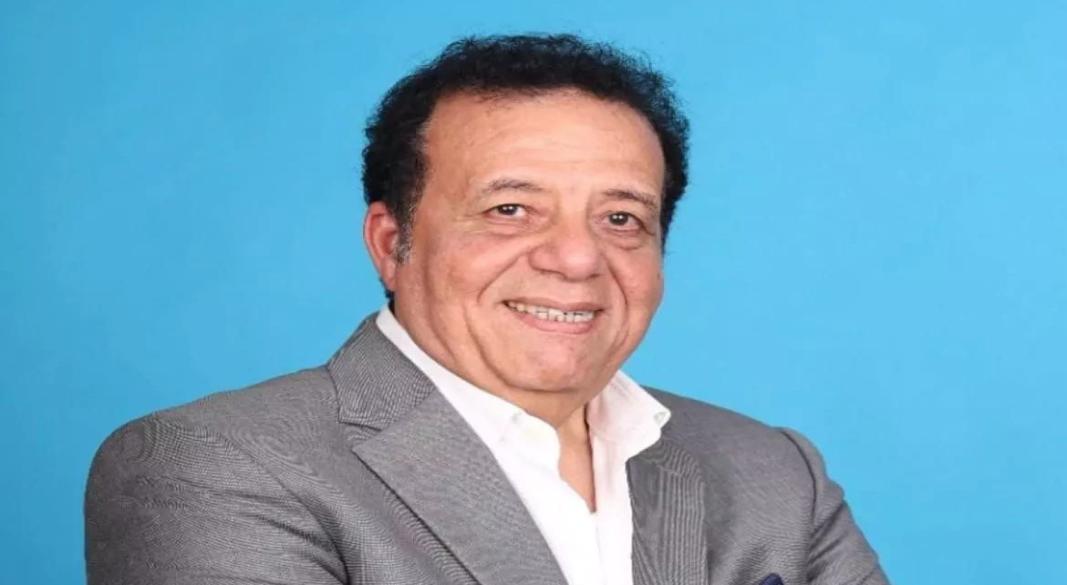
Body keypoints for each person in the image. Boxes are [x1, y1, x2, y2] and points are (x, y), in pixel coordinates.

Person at [85, 34, 889, 585]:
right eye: (510, 209)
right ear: (391, 241)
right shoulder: (210, 465)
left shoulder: (771, 471)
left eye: (620, 218)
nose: (575, 258)